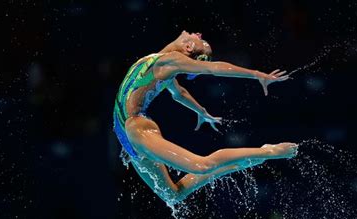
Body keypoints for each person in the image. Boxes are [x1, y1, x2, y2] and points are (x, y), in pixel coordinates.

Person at [113, 30, 298, 205]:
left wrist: (256, 75)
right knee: (173, 195)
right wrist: (202, 112)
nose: (199, 34)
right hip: (128, 140)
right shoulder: (163, 66)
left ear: (188, 48)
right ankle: (236, 165)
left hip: (136, 128)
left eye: (201, 41)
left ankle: (268, 151)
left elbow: (213, 68)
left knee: (201, 165)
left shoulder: (170, 61)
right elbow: (179, 93)